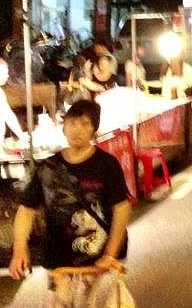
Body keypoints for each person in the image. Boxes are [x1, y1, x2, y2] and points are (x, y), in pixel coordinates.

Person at [10, 100, 131, 278]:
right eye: (72, 123)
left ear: (93, 129)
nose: (77, 129)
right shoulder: (47, 167)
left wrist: (110, 254)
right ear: (64, 127)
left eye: (85, 123)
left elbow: (121, 208)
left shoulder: (107, 164)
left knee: (102, 306)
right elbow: (26, 210)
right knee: (60, 306)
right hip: (59, 262)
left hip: (100, 262)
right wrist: (19, 248)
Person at [0, 56, 25, 147]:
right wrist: (21, 135)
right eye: (4, 73)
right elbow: (8, 115)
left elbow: (8, 114)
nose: (7, 76)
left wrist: (21, 135)